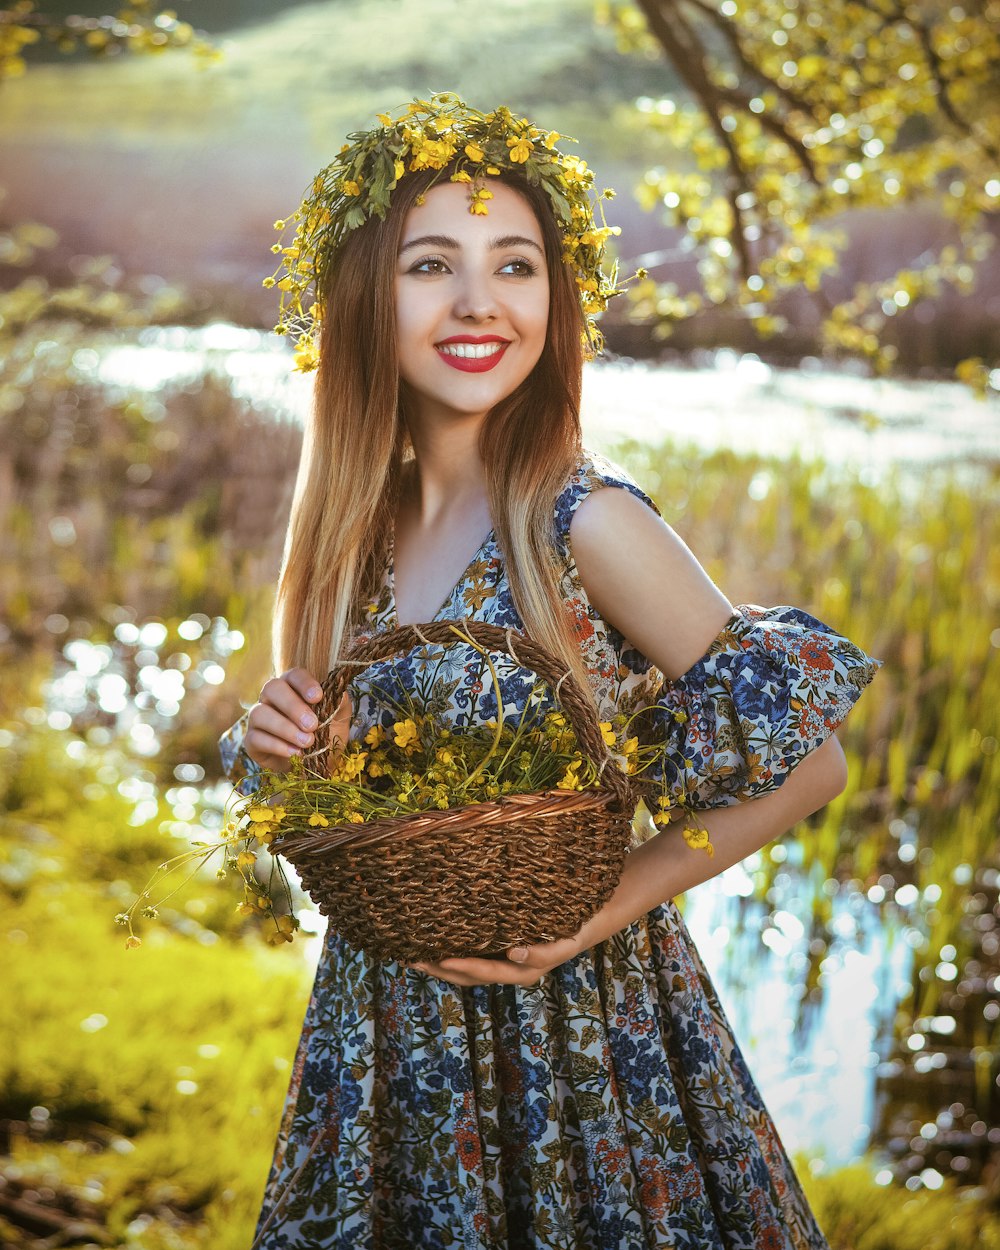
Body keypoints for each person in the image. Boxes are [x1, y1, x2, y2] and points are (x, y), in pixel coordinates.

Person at [219, 92, 880, 1250]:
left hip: (575, 1030)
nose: (479, 303)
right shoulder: (345, 539)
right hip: (382, 1037)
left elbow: (809, 765)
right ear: (366, 298)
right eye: (433, 264)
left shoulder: (583, 519)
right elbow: (332, 807)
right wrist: (276, 741)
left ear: (554, 300)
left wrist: (602, 906)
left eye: (515, 266)